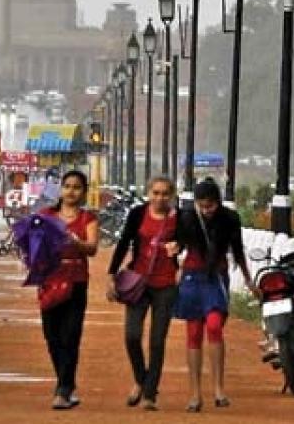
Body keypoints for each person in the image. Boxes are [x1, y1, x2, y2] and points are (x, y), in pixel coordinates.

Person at [165, 178, 258, 412]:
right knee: (194, 332)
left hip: (216, 278)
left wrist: (248, 280)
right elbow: (174, 245)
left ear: (218, 202)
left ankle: (219, 388)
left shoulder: (229, 219)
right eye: (202, 206)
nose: (206, 210)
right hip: (192, 277)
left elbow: (237, 252)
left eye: (210, 206)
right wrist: (174, 262)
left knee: (215, 326)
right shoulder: (186, 217)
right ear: (195, 203)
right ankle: (195, 393)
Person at [107, 176, 178, 411]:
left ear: (172, 195)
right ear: (149, 193)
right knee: (132, 335)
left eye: (165, 194)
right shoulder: (138, 214)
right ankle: (141, 378)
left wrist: (180, 250)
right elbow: (124, 241)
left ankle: (149, 394)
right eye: (155, 193)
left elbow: (188, 244)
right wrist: (111, 275)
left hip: (166, 285)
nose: (160, 198)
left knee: (157, 341)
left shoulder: (179, 219)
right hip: (138, 282)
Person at [38, 169, 99, 409]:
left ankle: (62, 390)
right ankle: (67, 384)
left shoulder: (88, 219)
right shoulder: (45, 215)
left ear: (83, 192)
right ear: (60, 189)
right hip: (49, 281)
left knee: (71, 336)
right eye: (67, 186)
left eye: (77, 187)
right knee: (52, 336)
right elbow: (31, 244)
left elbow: (92, 248)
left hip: (75, 281)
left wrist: (76, 243)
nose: (71, 191)